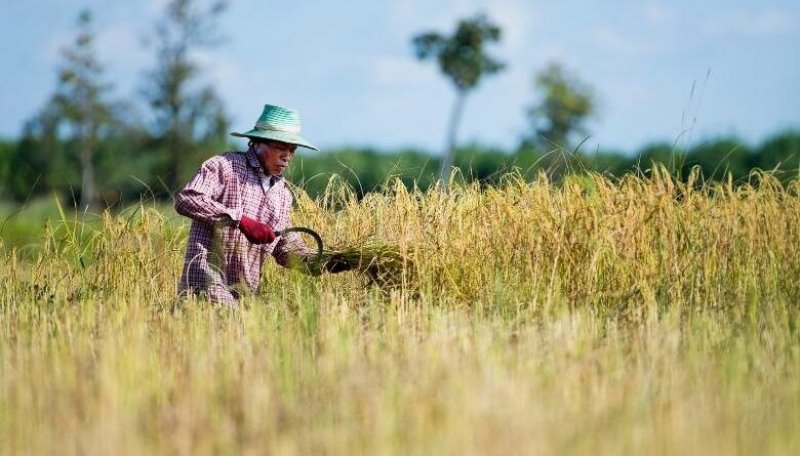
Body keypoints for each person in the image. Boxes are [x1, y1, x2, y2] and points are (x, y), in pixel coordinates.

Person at [175, 103, 350, 306]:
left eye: (292, 150)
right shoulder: (224, 166)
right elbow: (187, 199)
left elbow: (286, 248)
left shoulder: (282, 193)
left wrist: (325, 262)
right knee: (225, 321)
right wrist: (240, 220)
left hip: (244, 295)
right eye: (280, 148)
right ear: (257, 142)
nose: (287, 156)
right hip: (205, 284)